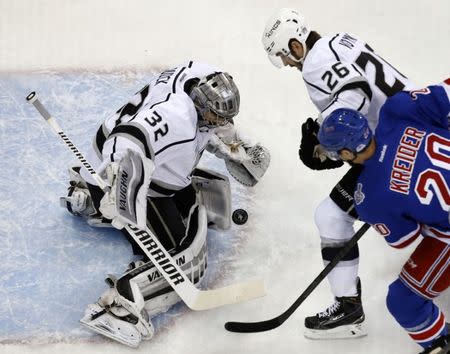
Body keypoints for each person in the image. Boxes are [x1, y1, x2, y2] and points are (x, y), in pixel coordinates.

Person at [59, 60, 270, 347]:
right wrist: (119, 187)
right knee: (185, 260)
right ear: (199, 104)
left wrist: (231, 143)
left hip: (122, 159)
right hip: (121, 171)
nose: (221, 123)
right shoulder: (177, 120)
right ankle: (122, 304)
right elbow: (128, 139)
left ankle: (90, 196)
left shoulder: (200, 77)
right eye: (217, 117)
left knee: (193, 201)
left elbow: (199, 123)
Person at [261, 8, 417, 339]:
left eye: (284, 55)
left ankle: (348, 308)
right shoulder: (341, 40)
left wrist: (324, 131)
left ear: (295, 43)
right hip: (418, 129)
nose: (287, 63)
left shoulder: (314, 64)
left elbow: (356, 93)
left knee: (331, 218)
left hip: (394, 151)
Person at [317, 80, 450, 353]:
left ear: (346, 153)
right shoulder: (398, 109)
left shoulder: (368, 197)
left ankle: (441, 343)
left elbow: (405, 239)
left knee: (403, 301)